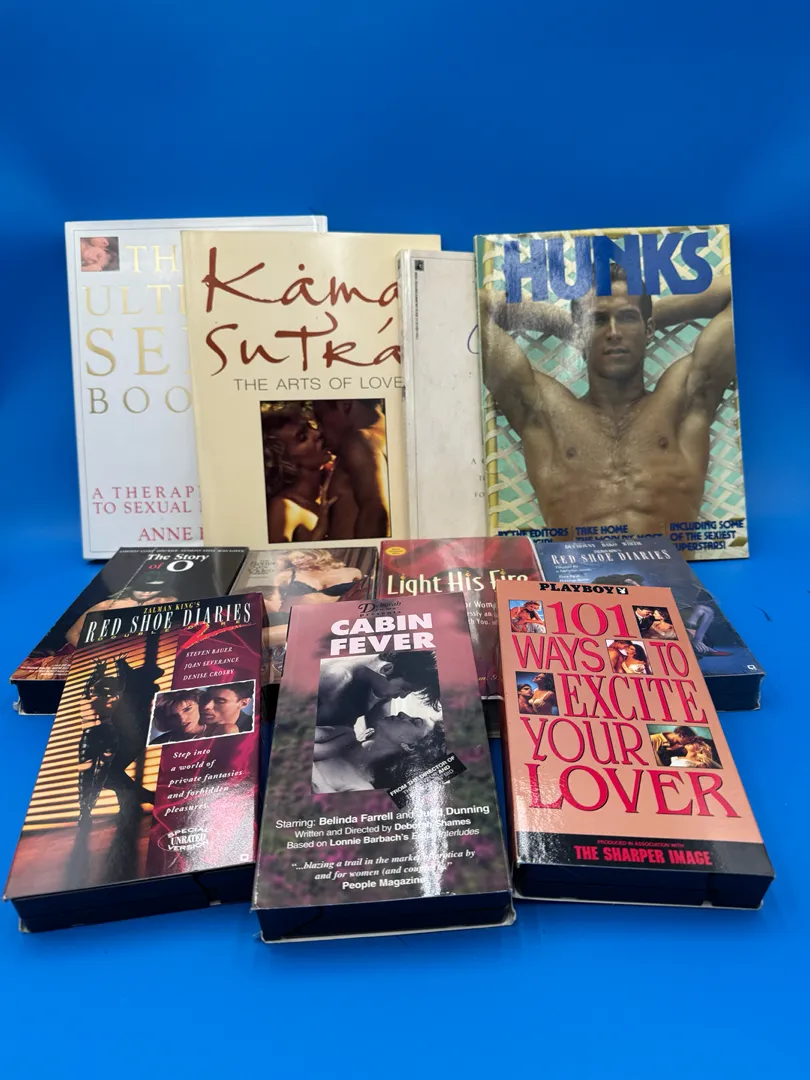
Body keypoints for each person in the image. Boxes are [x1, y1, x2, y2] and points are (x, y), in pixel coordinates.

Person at [480, 262, 736, 535]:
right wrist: (561, 324)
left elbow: (741, 290)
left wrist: (648, 315)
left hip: (667, 564)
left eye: (626, 318)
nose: (614, 332)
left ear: (649, 330)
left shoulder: (683, 400)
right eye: (599, 321)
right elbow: (470, 307)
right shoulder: (545, 413)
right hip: (576, 565)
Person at [76, 638, 163, 825]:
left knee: (110, 775)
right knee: (113, 774)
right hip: (124, 736)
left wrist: (116, 666)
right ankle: (131, 809)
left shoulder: (135, 693)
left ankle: (150, 800)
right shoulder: (134, 691)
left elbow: (123, 684)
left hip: (131, 737)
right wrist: (114, 666)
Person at [312, 710, 446, 794]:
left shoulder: (360, 788)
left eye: (414, 722)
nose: (402, 714)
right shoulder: (344, 735)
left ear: (409, 746)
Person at [312, 399, 391, 539]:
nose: (319, 430)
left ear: (345, 405)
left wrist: (364, 553)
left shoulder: (359, 441)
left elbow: (376, 513)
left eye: (320, 417)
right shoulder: (390, 436)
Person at [315, 650, 441, 733]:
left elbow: (378, 730)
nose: (402, 696)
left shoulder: (381, 686)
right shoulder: (336, 678)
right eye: (405, 688)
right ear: (387, 669)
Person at [262, 404, 336, 543]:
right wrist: (320, 530)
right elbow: (279, 556)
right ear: (285, 460)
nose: (317, 433)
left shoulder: (331, 484)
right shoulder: (284, 507)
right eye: (302, 437)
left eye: (311, 427)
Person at [65, 573, 179, 647]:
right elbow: (72, 634)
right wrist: (90, 653)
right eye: (142, 587)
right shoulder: (106, 606)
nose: (147, 592)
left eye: (154, 588)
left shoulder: (165, 601)